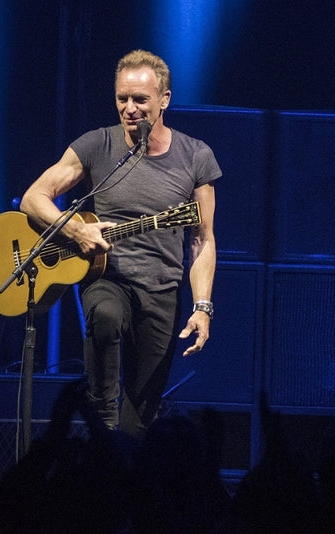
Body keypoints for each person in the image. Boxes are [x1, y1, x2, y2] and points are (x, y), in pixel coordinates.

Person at [20, 49, 220, 437]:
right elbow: (33, 199)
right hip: (105, 276)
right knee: (106, 317)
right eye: (122, 99)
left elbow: (202, 240)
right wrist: (75, 229)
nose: (129, 108)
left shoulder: (196, 156)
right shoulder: (97, 145)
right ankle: (100, 410)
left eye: (140, 100)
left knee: (138, 422)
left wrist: (203, 307)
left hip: (161, 292)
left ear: (164, 100)